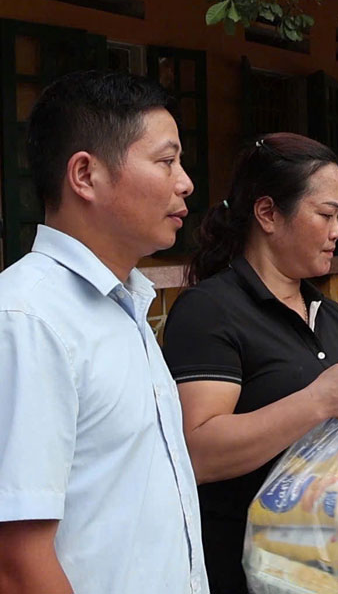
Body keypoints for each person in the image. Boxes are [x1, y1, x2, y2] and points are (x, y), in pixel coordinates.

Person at [0, 70, 208, 593]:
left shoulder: (127, 305)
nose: (184, 182)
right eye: (166, 161)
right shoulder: (28, 319)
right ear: (85, 175)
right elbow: (17, 563)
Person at [161, 133, 338, 594]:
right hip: (244, 569)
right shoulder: (210, 310)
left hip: (332, 568)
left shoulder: (328, 312)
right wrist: (319, 400)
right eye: (326, 215)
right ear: (267, 213)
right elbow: (198, 451)